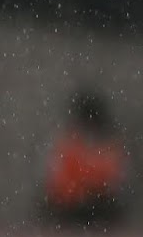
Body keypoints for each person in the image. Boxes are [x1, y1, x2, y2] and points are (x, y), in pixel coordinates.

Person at [42, 86, 129, 227]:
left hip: (100, 209)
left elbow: (114, 183)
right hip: (70, 210)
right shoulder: (67, 146)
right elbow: (59, 187)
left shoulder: (110, 147)